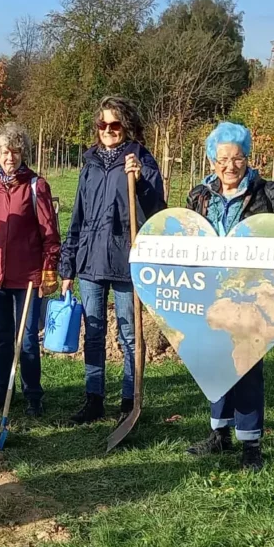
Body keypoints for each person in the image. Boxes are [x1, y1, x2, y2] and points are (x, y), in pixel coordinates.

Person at [183, 122, 274, 471]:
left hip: (252, 296)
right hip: (210, 294)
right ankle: (219, 434)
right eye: (223, 159)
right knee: (214, 362)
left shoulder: (267, 193)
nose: (230, 166)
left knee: (246, 366)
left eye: (237, 158)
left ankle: (251, 445)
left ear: (248, 158)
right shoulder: (198, 195)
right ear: (212, 161)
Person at [60, 96, 165, 424]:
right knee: (92, 331)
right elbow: (77, 214)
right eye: (102, 125)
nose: (108, 130)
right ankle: (93, 400)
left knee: (129, 333)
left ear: (127, 126)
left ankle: (129, 402)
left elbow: (157, 211)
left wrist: (141, 183)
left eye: (114, 125)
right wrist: (68, 263)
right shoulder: (90, 163)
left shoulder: (140, 159)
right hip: (90, 261)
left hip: (125, 260)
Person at [0, 122, 60, 416]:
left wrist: (49, 268)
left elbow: (50, 233)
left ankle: (33, 395)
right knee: (1, 337)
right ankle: (3, 390)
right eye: (4, 152)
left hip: (27, 276)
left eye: (15, 151)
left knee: (27, 338)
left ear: (22, 153)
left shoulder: (35, 186)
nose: (9, 157)